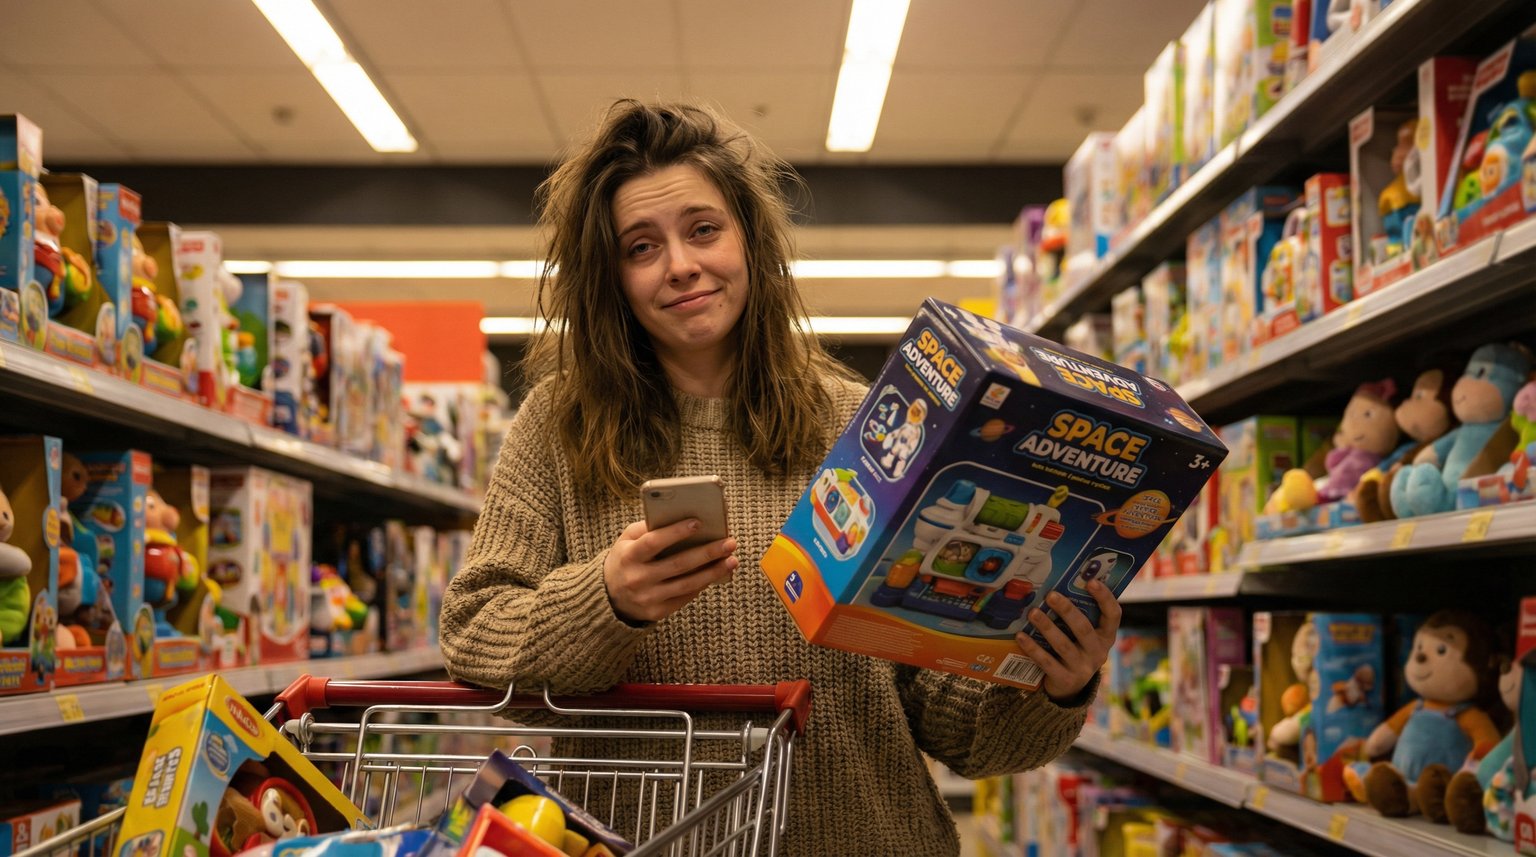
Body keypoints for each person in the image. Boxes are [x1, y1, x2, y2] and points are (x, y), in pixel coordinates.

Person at [438, 100, 1122, 856]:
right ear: (611, 280)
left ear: (750, 239)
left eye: (704, 229)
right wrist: (608, 599)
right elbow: (474, 633)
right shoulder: (556, 425)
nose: (682, 265)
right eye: (640, 246)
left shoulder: (866, 425)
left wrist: (1052, 680)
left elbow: (956, 730)